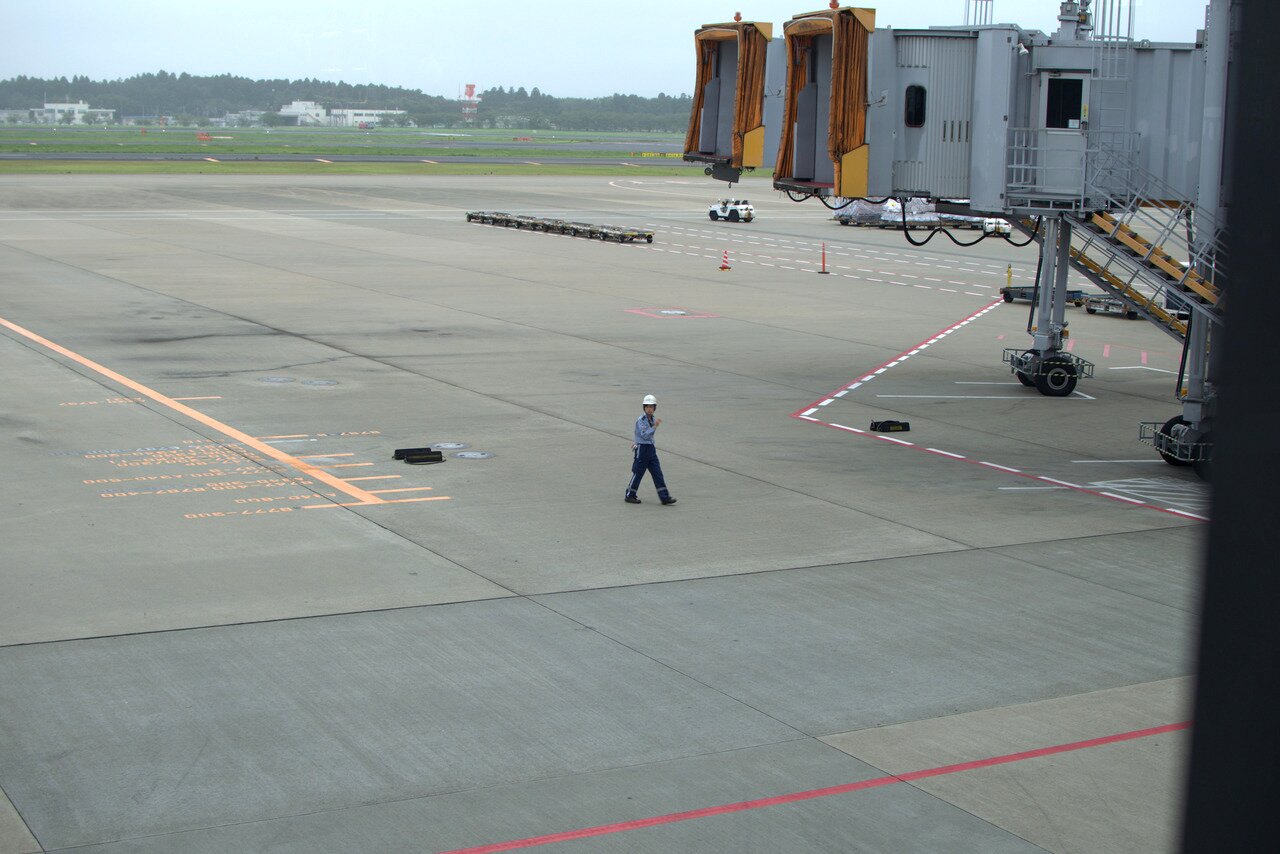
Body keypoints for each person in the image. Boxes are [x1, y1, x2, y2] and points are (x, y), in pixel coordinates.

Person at [625, 394, 676, 505]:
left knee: (657, 473)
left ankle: (664, 497)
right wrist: (654, 427)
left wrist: (654, 426)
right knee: (638, 473)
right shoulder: (641, 420)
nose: (649, 409)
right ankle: (629, 494)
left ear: (654, 408)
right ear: (644, 407)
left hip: (651, 449)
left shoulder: (652, 418)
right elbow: (645, 435)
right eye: (647, 407)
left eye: (651, 407)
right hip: (642, 449)